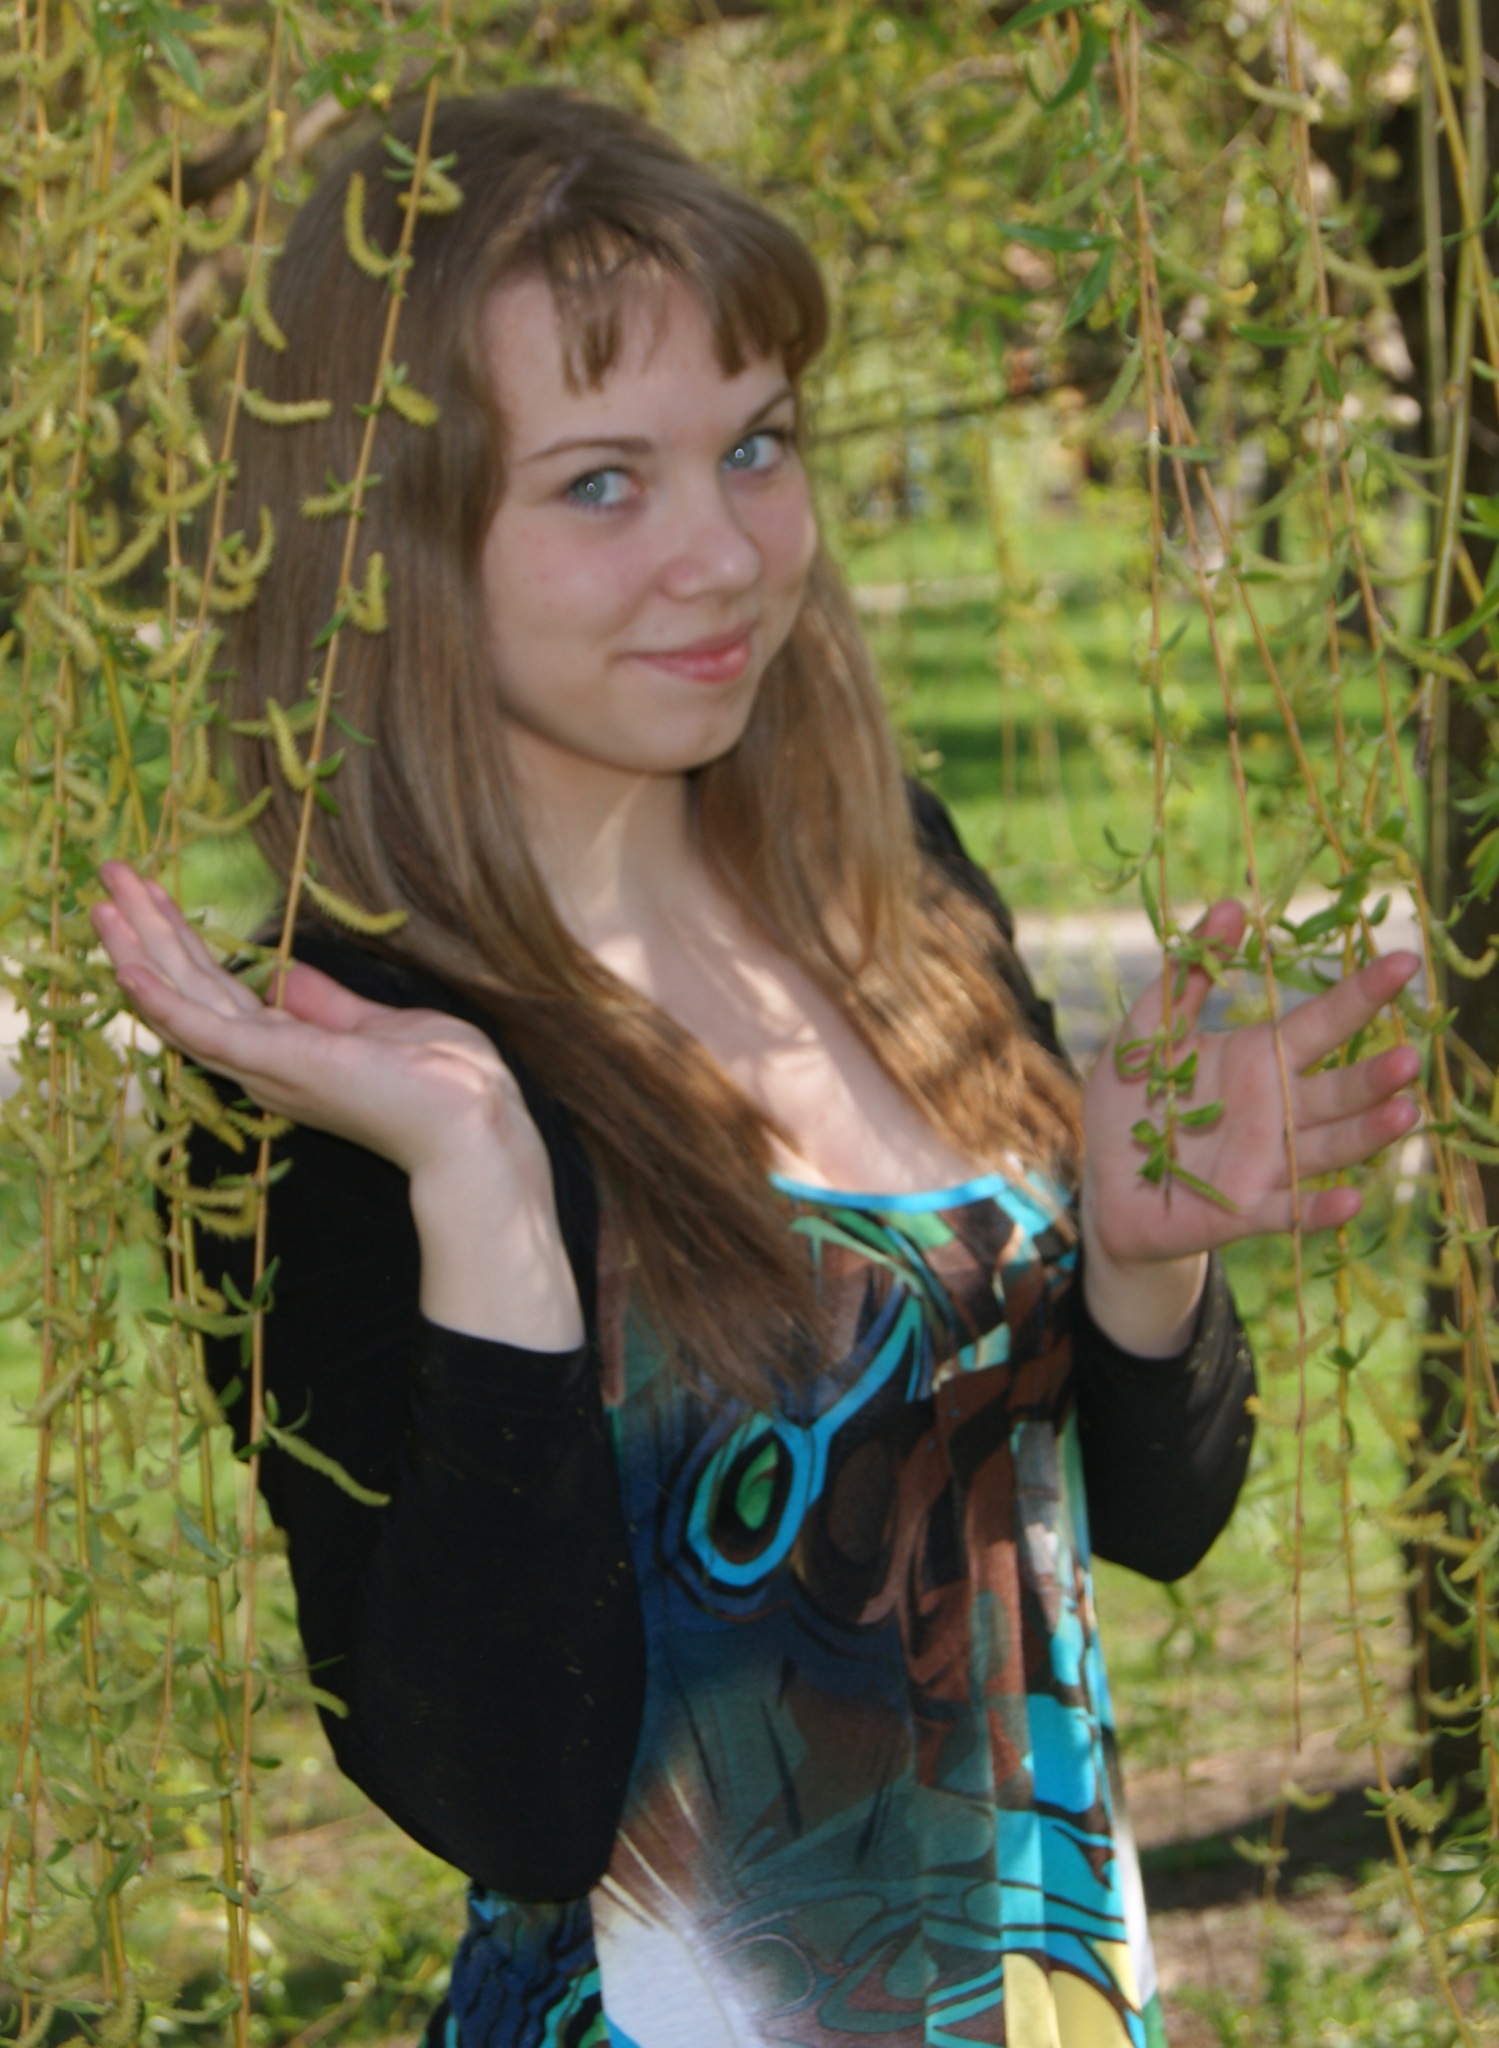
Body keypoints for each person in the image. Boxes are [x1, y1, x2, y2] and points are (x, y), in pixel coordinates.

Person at [92, 89, 1421, 2048]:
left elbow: (1128, 1523)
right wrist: (485, 1200)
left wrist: (1145, 1266)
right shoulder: (329, 1074)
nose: (721, 552)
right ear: (386, 534)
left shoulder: (892, 889)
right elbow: (516, 1799)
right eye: (601, 484)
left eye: (756, 445)